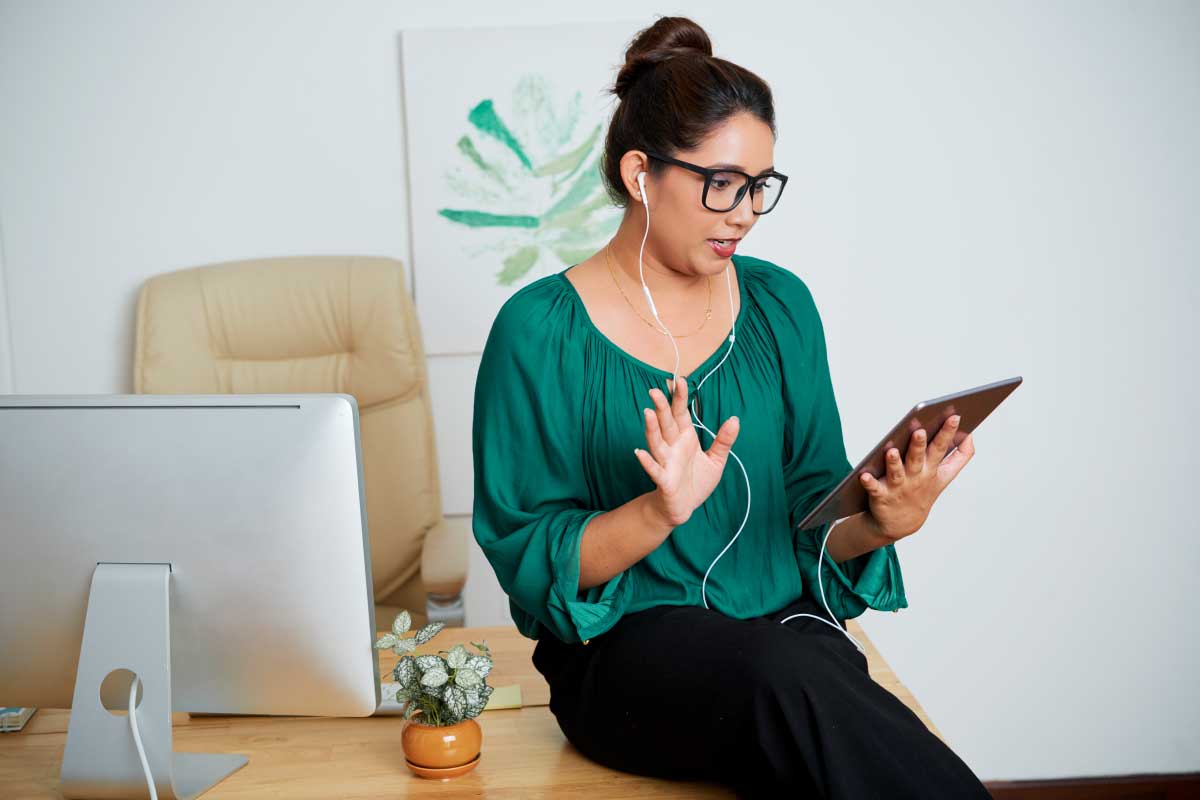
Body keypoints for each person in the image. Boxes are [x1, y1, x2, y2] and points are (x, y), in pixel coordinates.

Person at [471, 15, 989, 798]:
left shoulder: (782, 307)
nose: (744, 211)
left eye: (760, 187)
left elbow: (811, 515)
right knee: (792, 674)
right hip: (625, 658)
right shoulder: (539, 331)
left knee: (805, 672)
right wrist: (658, 511)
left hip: (783, 637)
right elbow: (528, 556)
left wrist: (884, 521)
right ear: (641, 173)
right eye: (722, 184)